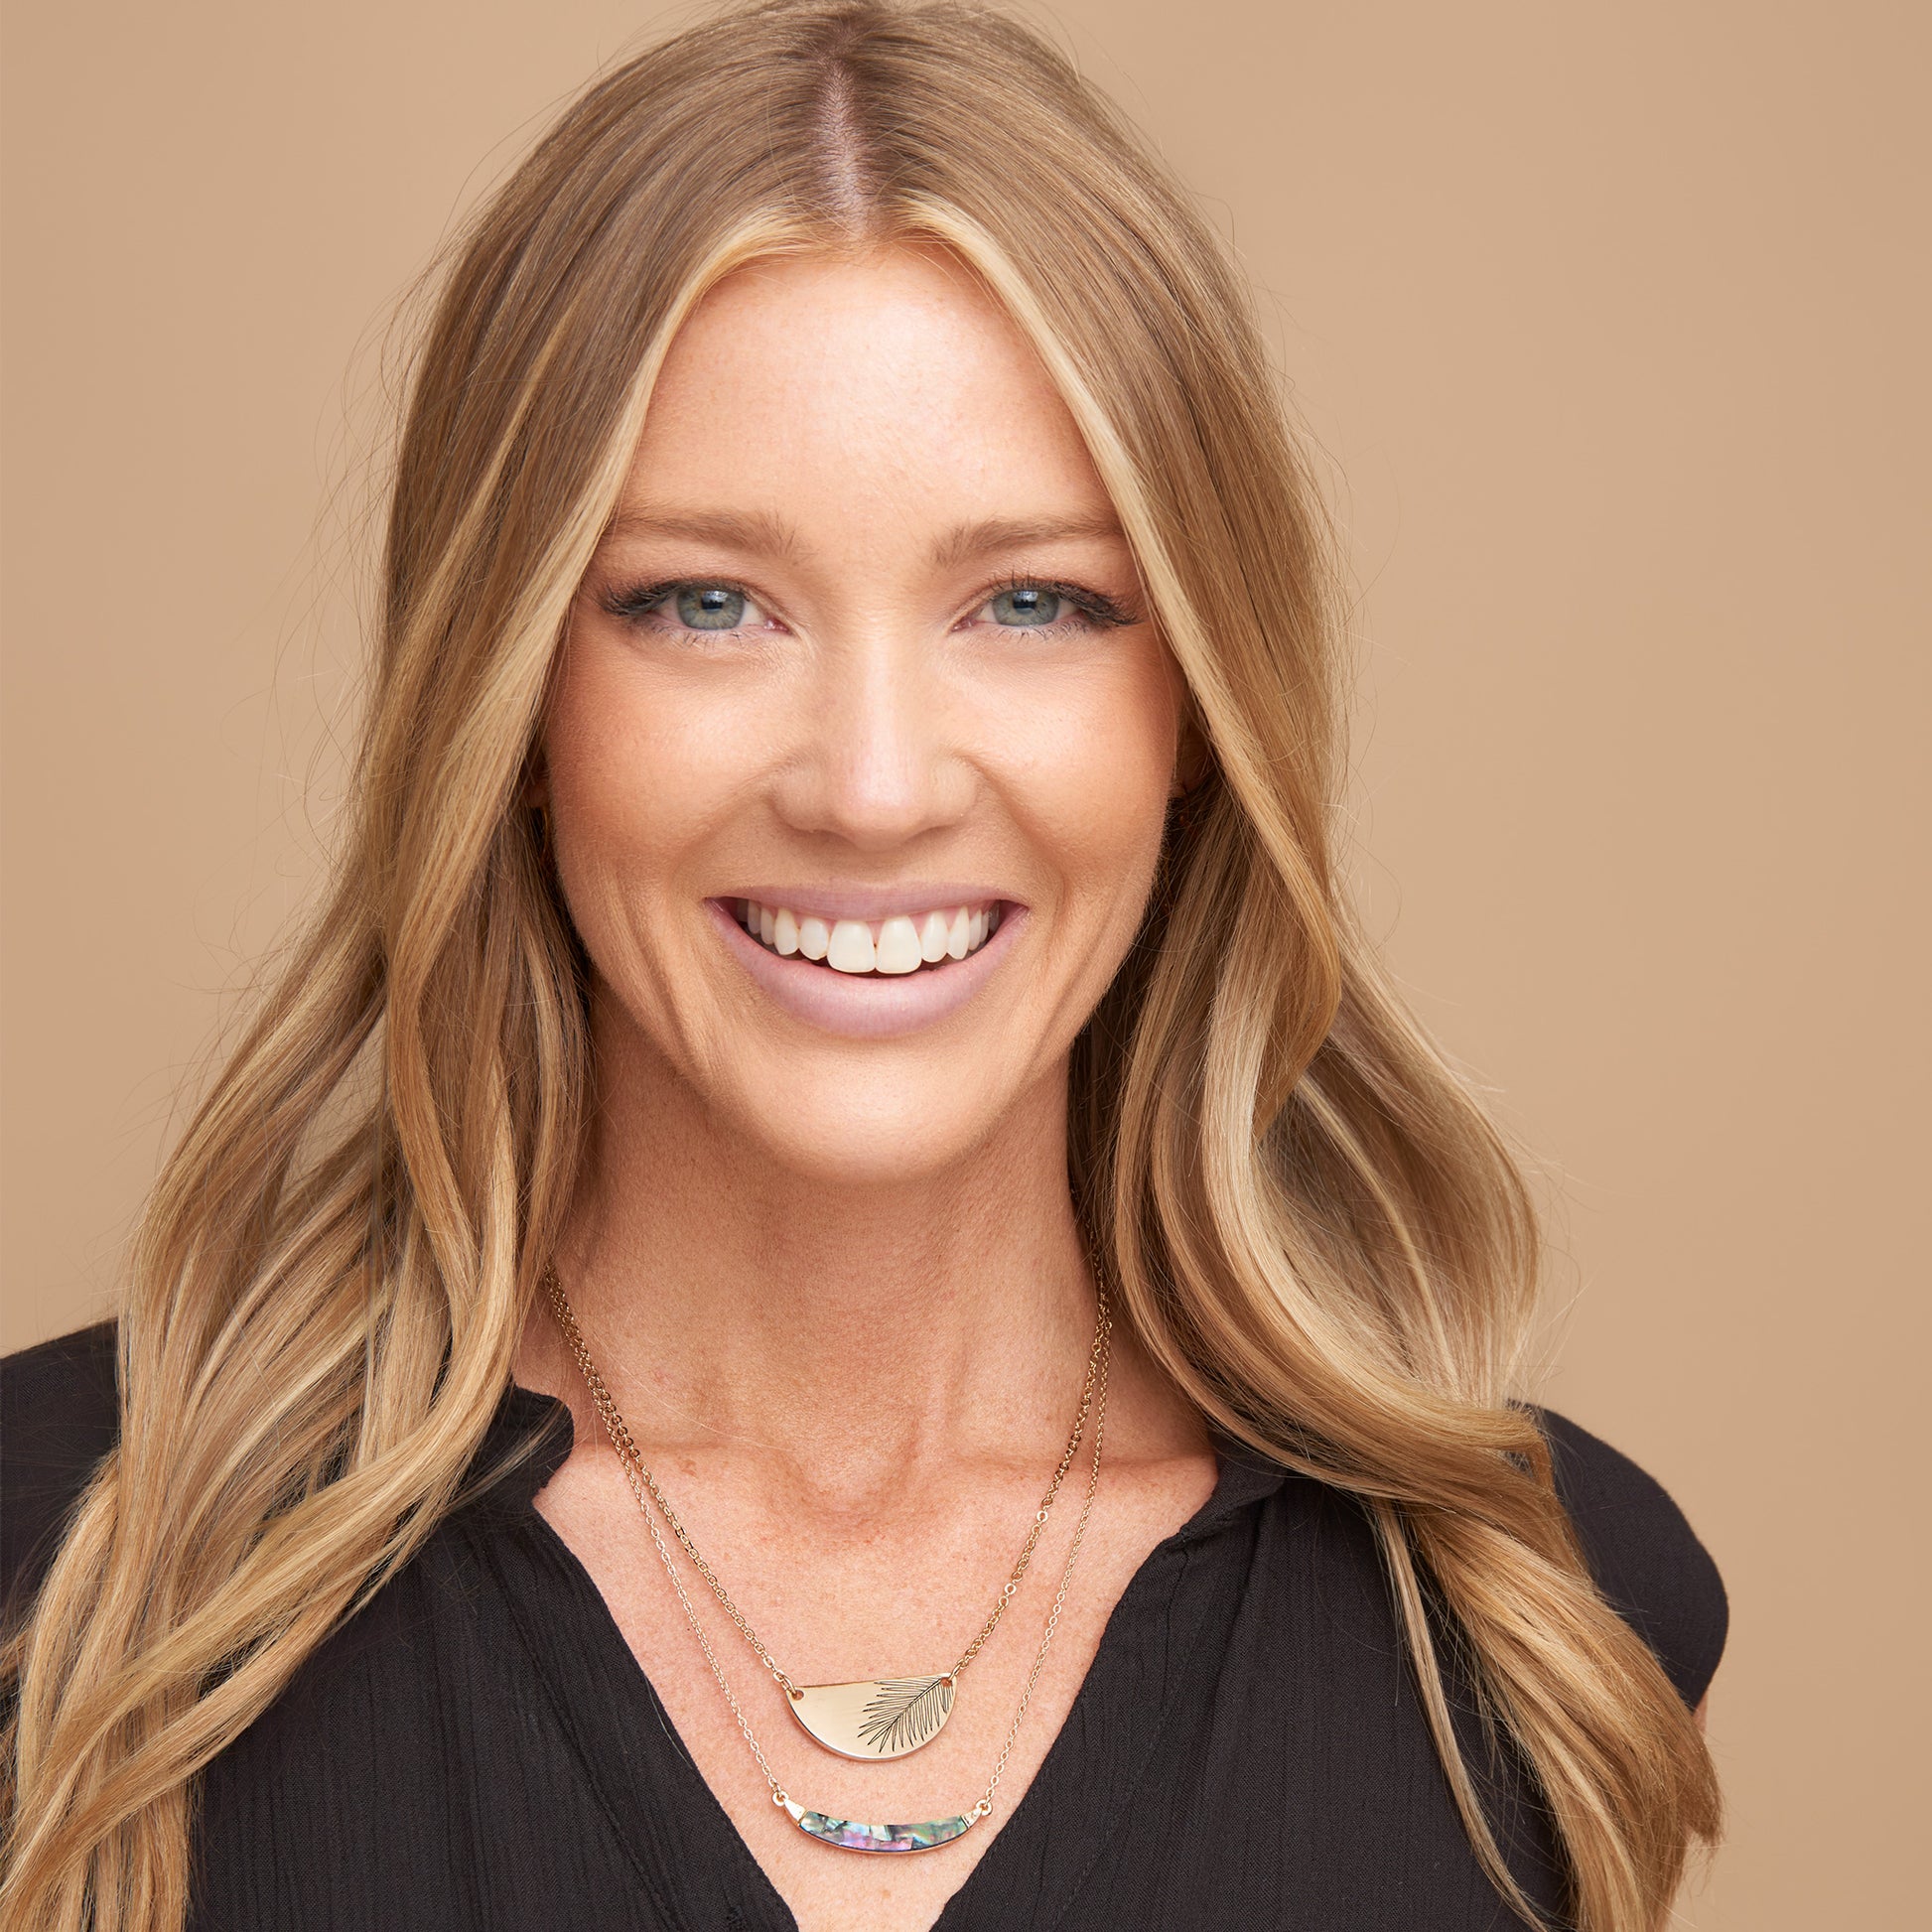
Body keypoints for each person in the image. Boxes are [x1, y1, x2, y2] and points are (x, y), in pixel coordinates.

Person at [0, 3, 1725, 1927]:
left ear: (1196, 708)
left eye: (1033, 600)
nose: (875, 786)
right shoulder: (56, 1594)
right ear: (515, 697)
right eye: (705, 603)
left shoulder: (1526, 1624)